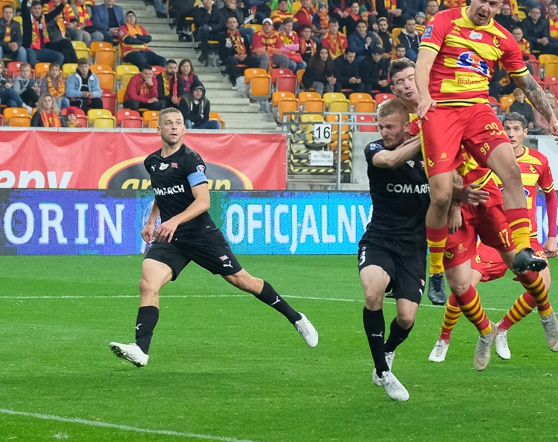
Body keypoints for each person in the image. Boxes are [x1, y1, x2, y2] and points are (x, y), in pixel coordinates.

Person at [109, 108, 317, 368]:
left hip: (200, 234)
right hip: (171, 237)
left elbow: (203, 201)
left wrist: (174, 220)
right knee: (147, 284)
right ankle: (141, 349)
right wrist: (152, 221)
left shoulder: (190, 160)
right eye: (168, 123)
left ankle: (296, 317)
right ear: (158, 129)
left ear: (184, 129)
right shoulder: (152, 162)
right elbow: (162, 194)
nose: (174, 127)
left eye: (178, 123)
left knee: (243, 281)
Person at [414, 0, 558, 280]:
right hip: (442, 109)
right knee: (441, 195)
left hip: (478, 110)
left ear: (501, 7)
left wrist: (552, 117)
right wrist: (424, 96)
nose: (485, 7)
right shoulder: (444, 20)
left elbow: (528, 84)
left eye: (493, 4)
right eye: (482, 0)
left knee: (512, 171)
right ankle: (436, 268)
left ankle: (523, 249)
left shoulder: (503, 39)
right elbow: (423, 63)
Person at [431, 112, 558, 362]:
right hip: (493, 236)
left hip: (526, 238)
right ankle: (444, 337)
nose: (511, 133)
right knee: (463, 284)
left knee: (543, 284)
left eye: (516, 129)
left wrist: (551, 235)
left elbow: (550, 195)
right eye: (507, 128)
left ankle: (502, 328)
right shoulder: (488, 157)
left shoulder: (538, 161)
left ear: (525, 132)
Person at [357, 95, 432, 401]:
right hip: (380, 240)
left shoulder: (429, 157)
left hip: (413, 247)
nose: (383, 132)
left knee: (406, 318)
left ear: (406, 126)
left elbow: (449, 185)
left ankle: (388, 350)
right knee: (372, 293)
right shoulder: (375, 150)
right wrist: (428, 135)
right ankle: (383, 372)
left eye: (389, 127)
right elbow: (391, 161)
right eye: (381, 126)